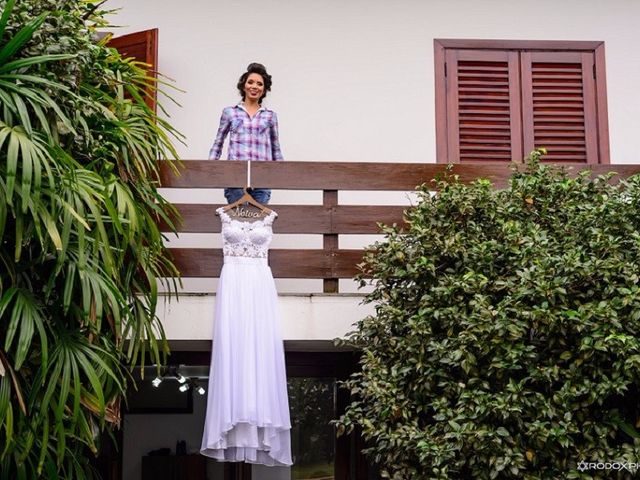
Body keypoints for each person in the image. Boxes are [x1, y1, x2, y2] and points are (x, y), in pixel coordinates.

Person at [209, 63, 283, 205]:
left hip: (262, 177)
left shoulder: (270, 116)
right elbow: (218, 143)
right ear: (244, 86)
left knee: (258, 224)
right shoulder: (230, 112)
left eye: (259, 84)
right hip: (235, 177)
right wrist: (211, 168)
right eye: (250, 82)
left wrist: (282, 172)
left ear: (264, 89)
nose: (254, 86)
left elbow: (276, 148)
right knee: (237, 223)